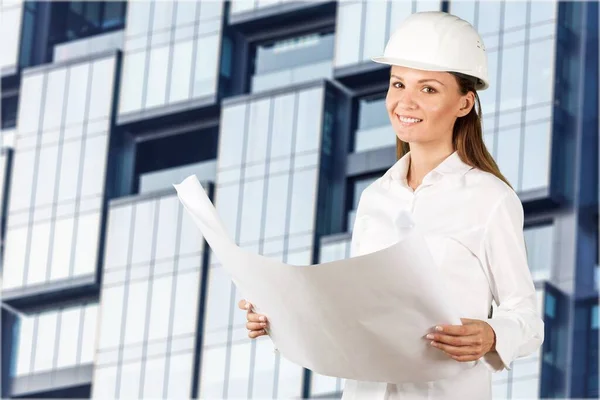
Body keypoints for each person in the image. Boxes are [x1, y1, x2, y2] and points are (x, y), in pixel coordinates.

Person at [239, 11, 544, 400]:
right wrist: (278, 318)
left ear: (464, 104)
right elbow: (353, 317)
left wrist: (492, 334)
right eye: (398, 83)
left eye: (429, 89)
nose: (405, 101)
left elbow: (528, 320)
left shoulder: (490, 198)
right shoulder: (375, 199)